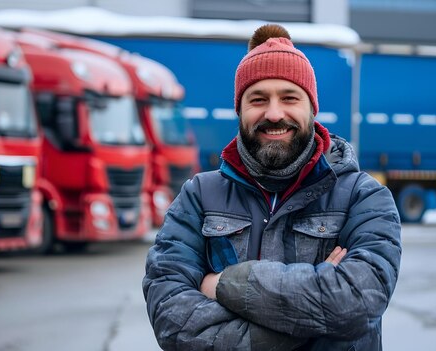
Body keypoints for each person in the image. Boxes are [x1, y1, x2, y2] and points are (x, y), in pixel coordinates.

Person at [143, 24, 401, 351]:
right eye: (258, 99)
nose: (274, 113)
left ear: (311, 109)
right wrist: (309, 315)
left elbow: (357, 301)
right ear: (240, 110)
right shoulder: (198, 196)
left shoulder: (362, 197)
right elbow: (171, 317)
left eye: (289, 97)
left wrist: (223, 284)